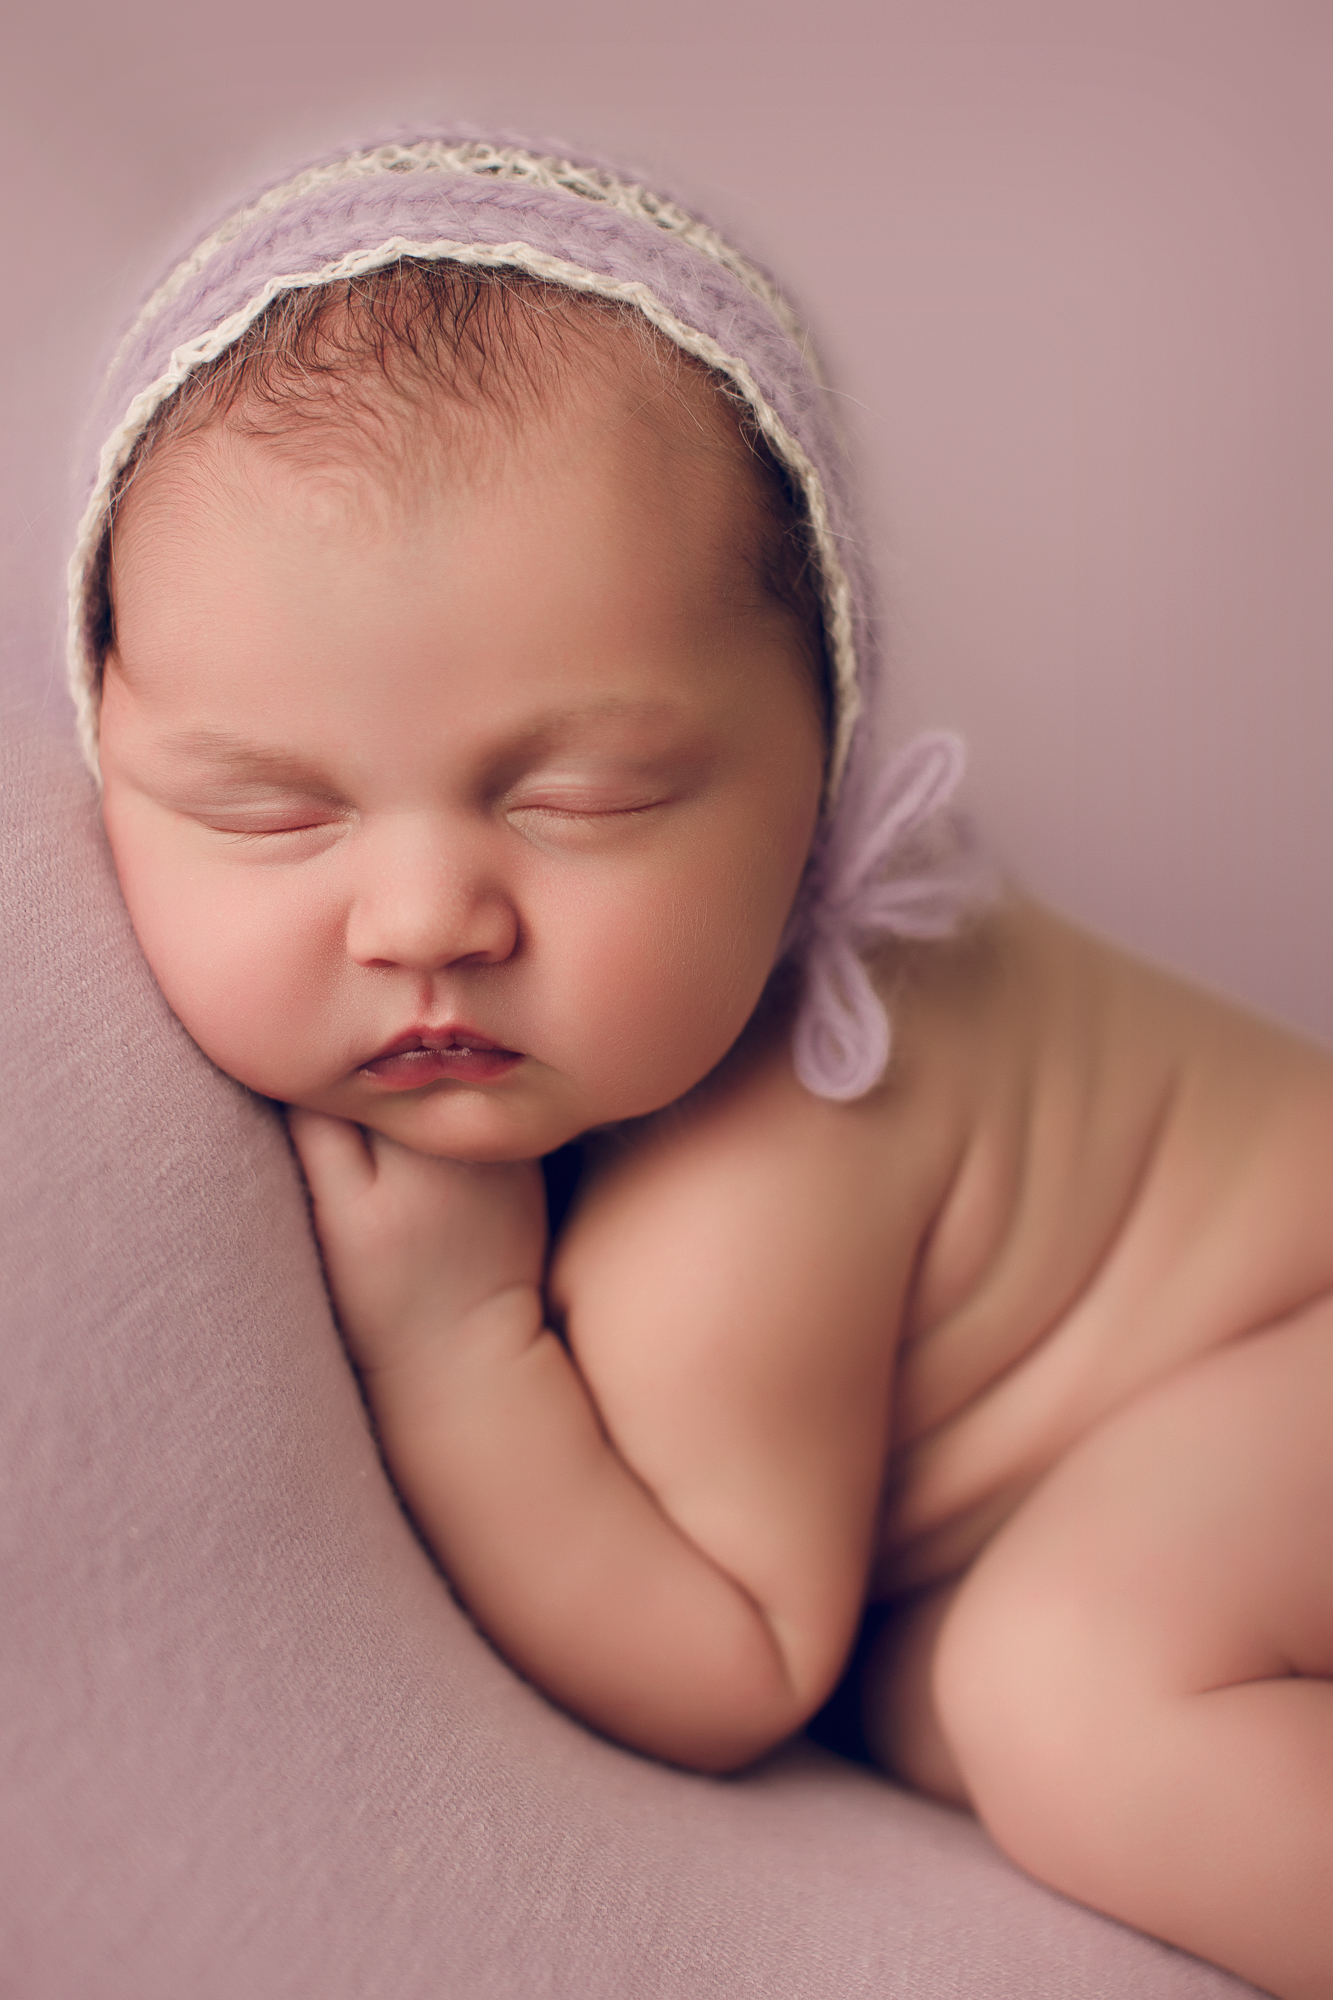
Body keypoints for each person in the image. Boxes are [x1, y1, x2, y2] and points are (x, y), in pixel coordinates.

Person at [73, 134, 1332, 1999]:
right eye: (267, 811)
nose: (427, 916)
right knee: (964, 1694)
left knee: (1054, 1694)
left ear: (820, 771)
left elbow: (733, 1663)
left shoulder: (759, 1162)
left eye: (586, 802)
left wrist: (448, 1341)